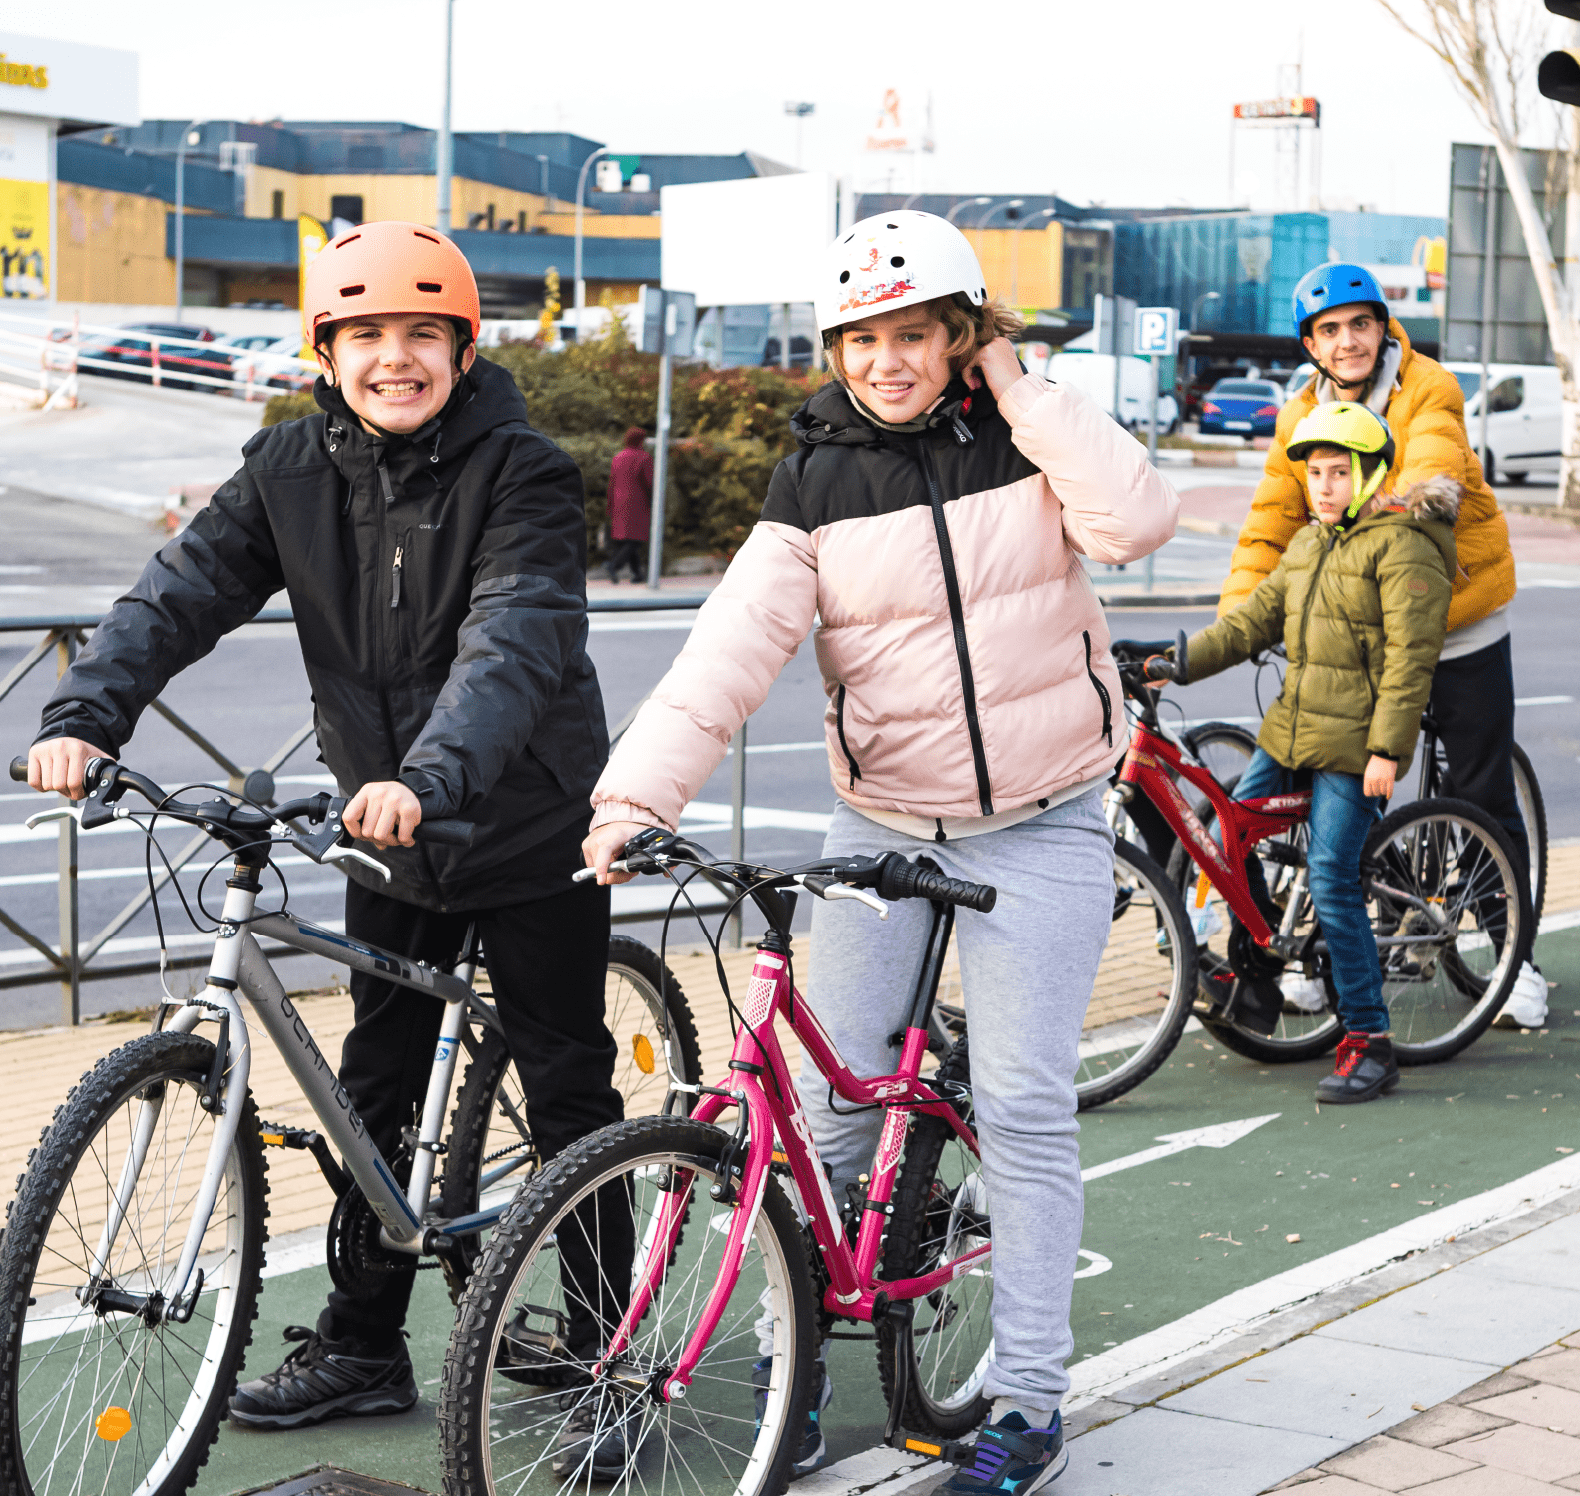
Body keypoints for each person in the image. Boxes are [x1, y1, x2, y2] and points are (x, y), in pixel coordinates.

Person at [584, 210, 1178, 1494]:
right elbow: (727, 652)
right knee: (826, 1111)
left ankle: (1026, 1400)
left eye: (917, 334)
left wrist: (1018, 384)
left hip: (1049, 813)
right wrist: (635, 794)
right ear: (834, 347)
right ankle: (782, 1369)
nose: (888, 361)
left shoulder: (1024, 433)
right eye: (863, 339)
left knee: (1022, 1104)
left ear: (964, 333)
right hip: (886, 822)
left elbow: (1134, 522)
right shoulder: (813, 481)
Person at [26, 222, 625, 1433]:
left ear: (462, 348)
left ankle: (610, 1347)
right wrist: (88, 713)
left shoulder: (525, 471)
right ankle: (363, 1346)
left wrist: (434, 774)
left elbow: (513, 638)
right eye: (365, 337)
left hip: (521, 821)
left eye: (420, 335)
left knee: (567, 1085)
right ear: (326, 350)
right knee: (375, 1085)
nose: (392, 359)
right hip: (384, 827)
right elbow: (180, 592)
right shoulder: (290, 468)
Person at [1220, 262, 1547, 1028]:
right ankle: (1339, 942)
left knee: (1479, 789)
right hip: (1366, 634)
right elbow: (1272, 520)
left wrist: (1414, 497)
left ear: (1381, 327)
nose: (1347, 341)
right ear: (1311, 345)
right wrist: (1243, 619)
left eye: (1359, 324)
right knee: (1337, 787)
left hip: (1456, 612)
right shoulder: (1299, 416)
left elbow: (1434, 451)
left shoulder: (1426, 387)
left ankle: (1512, 960)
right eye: (1329, 331)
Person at [1170, 403, 1457, 1099]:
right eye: (1315, 474)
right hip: (1295, 728)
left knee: (1330, 873)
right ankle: (1262, 967)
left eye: (1337, 473)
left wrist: (1388, 750)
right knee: (1228, 840)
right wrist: (1169, 663)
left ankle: (1369, 1039)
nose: (1322, 486)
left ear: (1369, 475)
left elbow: (1410, 661)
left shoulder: (1404, 546)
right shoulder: (1309, 545)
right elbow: (1248, 625)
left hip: (1357, 744)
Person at [605, 425, 653, 583]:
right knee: (635, 540)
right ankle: (614, 566)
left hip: (618, 502)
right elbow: (649, 482)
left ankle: (637, 574)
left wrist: (610, 504)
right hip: (636, 503)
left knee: (627, 539)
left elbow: (612, 482)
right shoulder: (643, 457)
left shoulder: (618, 457)